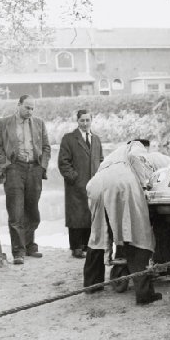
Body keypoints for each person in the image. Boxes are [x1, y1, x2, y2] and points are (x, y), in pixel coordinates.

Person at [84, 141, 160, 304]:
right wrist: (145, 184)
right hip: (121, 183)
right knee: (136, 235)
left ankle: (92, 285)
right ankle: (144, 294)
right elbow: (136, 157)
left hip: (96, 183)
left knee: (98, 235)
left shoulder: (114, 154)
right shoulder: (135, 145)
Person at [0, 95, 51, 265]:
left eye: (33, 108)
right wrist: (7, 165)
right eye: (27, 107)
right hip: (14, 169)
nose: (30, 111)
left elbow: (46, 147)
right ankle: (18, 251)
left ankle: (30, 245)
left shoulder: (39, 123)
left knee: (32, 210)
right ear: (18, 105)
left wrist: (42, 166)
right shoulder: (3, 123)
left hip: (34, 169)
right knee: (16, 211)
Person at [58, 110, 104, 259]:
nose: (85, 124)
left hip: (93, 184)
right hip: (76, 185)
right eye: (82, 121)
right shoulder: (69, 139)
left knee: (90, 215)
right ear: (77, 121)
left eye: (87, 120)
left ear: (91, 121)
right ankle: (76, 247)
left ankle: (87, 245)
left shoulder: (96, 139)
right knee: (77, 216)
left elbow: (101, 160)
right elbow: (63, 162)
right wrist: (74, 178)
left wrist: (100, 179)